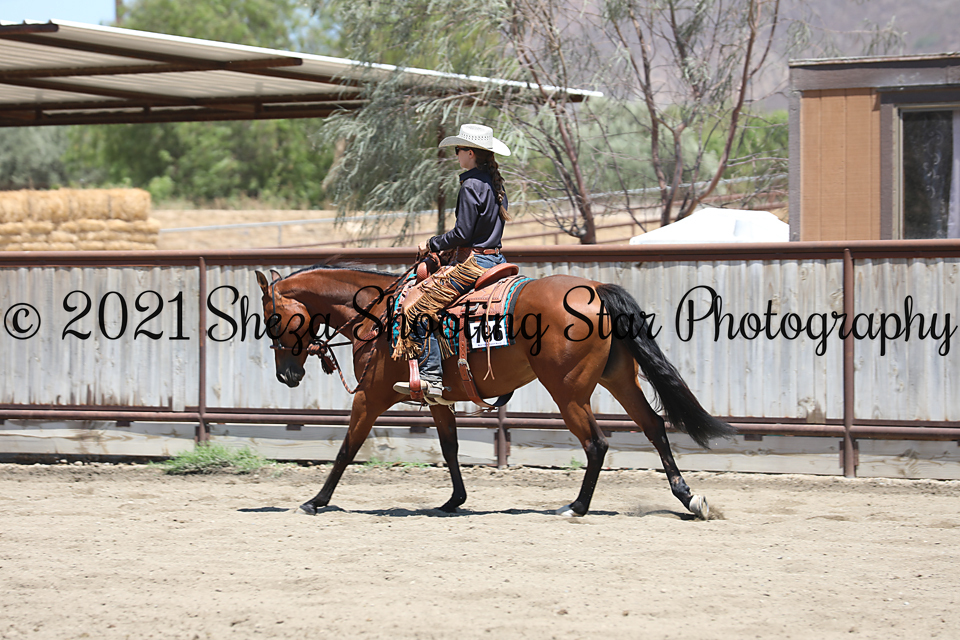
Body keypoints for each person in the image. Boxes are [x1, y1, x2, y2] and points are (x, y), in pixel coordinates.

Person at [393, 123, 511, 404]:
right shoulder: (495, 183)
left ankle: (432, 377)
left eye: (458, 149)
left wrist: (432, 243)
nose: (456, 154)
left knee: (415, 306)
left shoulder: (470, 185)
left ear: (470, 152)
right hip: (496, 259)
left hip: (474, 262)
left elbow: (463, 234)